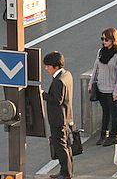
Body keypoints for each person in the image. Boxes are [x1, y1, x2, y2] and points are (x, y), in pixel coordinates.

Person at [89, 27, 117, 147]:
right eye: (102, 39)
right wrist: (91, 82)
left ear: (113, 40)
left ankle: (113, 136)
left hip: (112, 89)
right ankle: (103, 135)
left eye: (106, 39)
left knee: (114, 113)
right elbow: (96, 68)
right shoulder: (101, 52)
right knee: (105, 112)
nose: (104, 41)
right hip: (101, 87)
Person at [42, 51, 74, 179]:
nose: (46, 68)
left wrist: (43, 94)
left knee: (61, 146)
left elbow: (57, 100)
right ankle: (67, 171)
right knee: (66, 145)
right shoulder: (67, 75)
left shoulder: (58, 81)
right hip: (67, 116)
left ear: (55, 66)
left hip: (59, 119)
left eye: (48, 66)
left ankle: (65, 173)